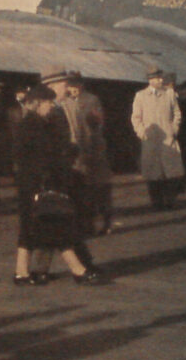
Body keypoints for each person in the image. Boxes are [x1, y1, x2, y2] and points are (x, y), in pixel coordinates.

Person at [13, 85, 101, 286]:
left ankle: (22, 273)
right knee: (56, 227)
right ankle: (78, 270)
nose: (51, 105)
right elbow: (44, 155)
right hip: (40, 183)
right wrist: (67, 154)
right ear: (36, 103)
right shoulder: (33, 125)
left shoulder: (32, 123)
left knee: (30, 228)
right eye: (48, 102)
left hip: (31, 184)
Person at [45, 68, 114, 236]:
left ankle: (102, 222)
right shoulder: (57, 104)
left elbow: (96, 124)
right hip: (71, 157)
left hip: (91, 151)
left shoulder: (90, 100)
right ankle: (83, 225)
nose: (72, 88)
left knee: (98, 189)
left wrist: (90, 144)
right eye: (69, 85)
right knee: (80, 193)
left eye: (74, 85)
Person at [130, 67, 184, 210]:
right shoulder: (140, 96)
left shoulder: (169, 94)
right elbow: (136, 118)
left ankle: (170, 201)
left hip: (168, 139)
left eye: (161, 77)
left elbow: (177, 114)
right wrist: (142, 133)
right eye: (157, 78)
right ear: (150, 80)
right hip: (151, 141)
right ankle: (157, 203)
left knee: (171, 173)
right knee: (153, 175)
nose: (161, 80)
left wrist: (173, 129)